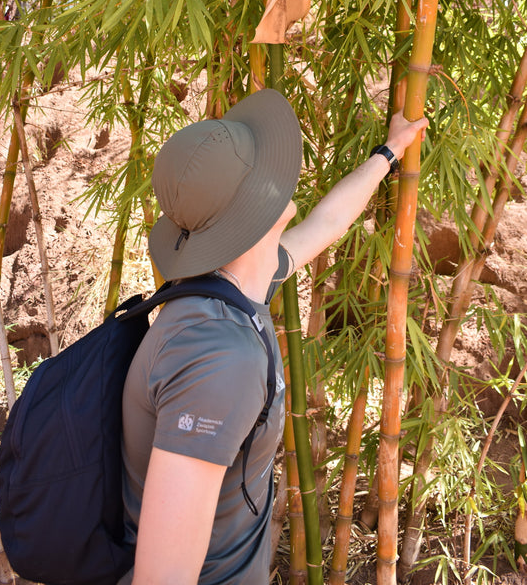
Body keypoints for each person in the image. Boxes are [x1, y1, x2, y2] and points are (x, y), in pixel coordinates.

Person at [119, 88, 428, 585]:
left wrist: (387, 153)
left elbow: (322, 225)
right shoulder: (220, 359)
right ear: (253, 213)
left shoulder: (230, 285)